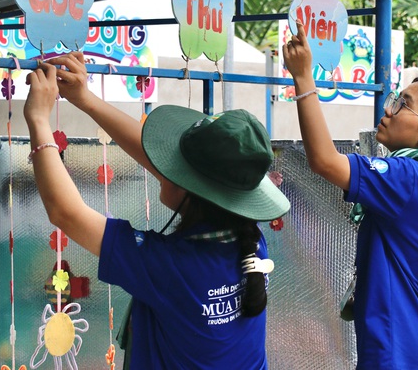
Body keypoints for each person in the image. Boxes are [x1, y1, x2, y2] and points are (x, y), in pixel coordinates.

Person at [23, 52, 290, 370]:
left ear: (193, 189)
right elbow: (161, 161)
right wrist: (85, 98)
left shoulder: (169, 265)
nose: (163, 168)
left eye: (174, 167)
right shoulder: (249, 240)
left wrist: (39, 120)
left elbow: (65, 213)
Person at [283, 21, 418, 369]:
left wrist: (303, 79)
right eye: (395, 99)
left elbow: (324, 162)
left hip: (402, 358)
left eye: (403, 105)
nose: (388, 110)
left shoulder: (409, 178)